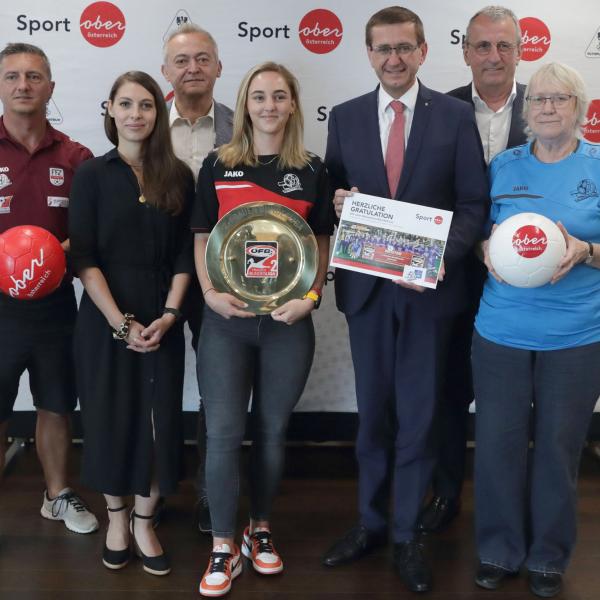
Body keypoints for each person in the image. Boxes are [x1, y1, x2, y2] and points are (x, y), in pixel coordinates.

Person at [321, 6, 488, 593]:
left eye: (403, 48)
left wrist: (437, 259)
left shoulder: (455, 116)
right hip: (368, 292)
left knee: (419, 418)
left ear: (422, 52)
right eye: (381, 48)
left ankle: (407, 532)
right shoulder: (343, 118)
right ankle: (369, 521)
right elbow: (333, 199)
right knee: (374, 417)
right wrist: (339, 204)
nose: (392, 58)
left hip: (428, 293)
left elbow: (473, 206)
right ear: (368, 53)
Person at [192, 61, 333, 597]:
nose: (269, 105)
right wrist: (208, 295)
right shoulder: (218, 164)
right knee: (225, 433)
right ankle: (223, 545)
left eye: (279, 96)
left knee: (272, 432)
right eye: (258, 96)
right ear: (244, 104)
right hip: (225, 323)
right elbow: (202, 237)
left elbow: (320, 243)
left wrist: (312, 298)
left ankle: (262, 529)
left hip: (287, 324)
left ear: (293, 104)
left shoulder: (315, 169)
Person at [473, 62, 600, 599]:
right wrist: (486, 251)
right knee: (498, 446)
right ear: (527, 111)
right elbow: (476, 234)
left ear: (579, 107)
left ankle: (549, 557)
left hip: (576, 337)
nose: (549, 108)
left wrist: (588, 251)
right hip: (501, 331)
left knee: (557, 448)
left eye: (561, 99)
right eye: (540, 100)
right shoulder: (503, 165)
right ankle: (499, 550)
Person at [68, 71, 194, 575]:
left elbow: (189, 252)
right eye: (126, 104)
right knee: (108, 419)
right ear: (111, 110)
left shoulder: (179, 175)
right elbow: (85, 258)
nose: (136, 114)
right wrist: (121, 324)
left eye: (145, 105)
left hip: (164, 314)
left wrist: (169, 314)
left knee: (160, 422)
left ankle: (146, 520)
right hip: (104, 318)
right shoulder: (91, 175)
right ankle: (117, 517)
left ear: (157, 114)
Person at [418, 5, 528, 534]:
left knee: (518, 397)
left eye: (504, 45)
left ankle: (513, 502)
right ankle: (445, 494)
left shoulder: (545, 108)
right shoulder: (440, 110)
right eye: (482, 46)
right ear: (464, 53)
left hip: (528, 287)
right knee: (447, 389)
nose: (493, 56)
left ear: (521, 50)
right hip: (453, 276)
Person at [0, 43, 98, 535]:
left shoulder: (77, 157)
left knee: (56, 401)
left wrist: (59, 251)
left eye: (34, 77)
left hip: (56, 303)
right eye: (13, 76)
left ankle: (56, 494)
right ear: (1, 86)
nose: (23, 85)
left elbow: (98, 225)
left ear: (51, 88)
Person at [161, 22, 233, 534]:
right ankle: (157, 485)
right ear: (166, 70)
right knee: (156, 384)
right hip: (155, 276)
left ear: (218, 67)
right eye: (182, 61)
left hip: (220, 277)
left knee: (217, 389)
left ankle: (213, 490)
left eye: (202, 59)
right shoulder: (142, 122)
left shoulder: (241, 125)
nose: (193, 69)